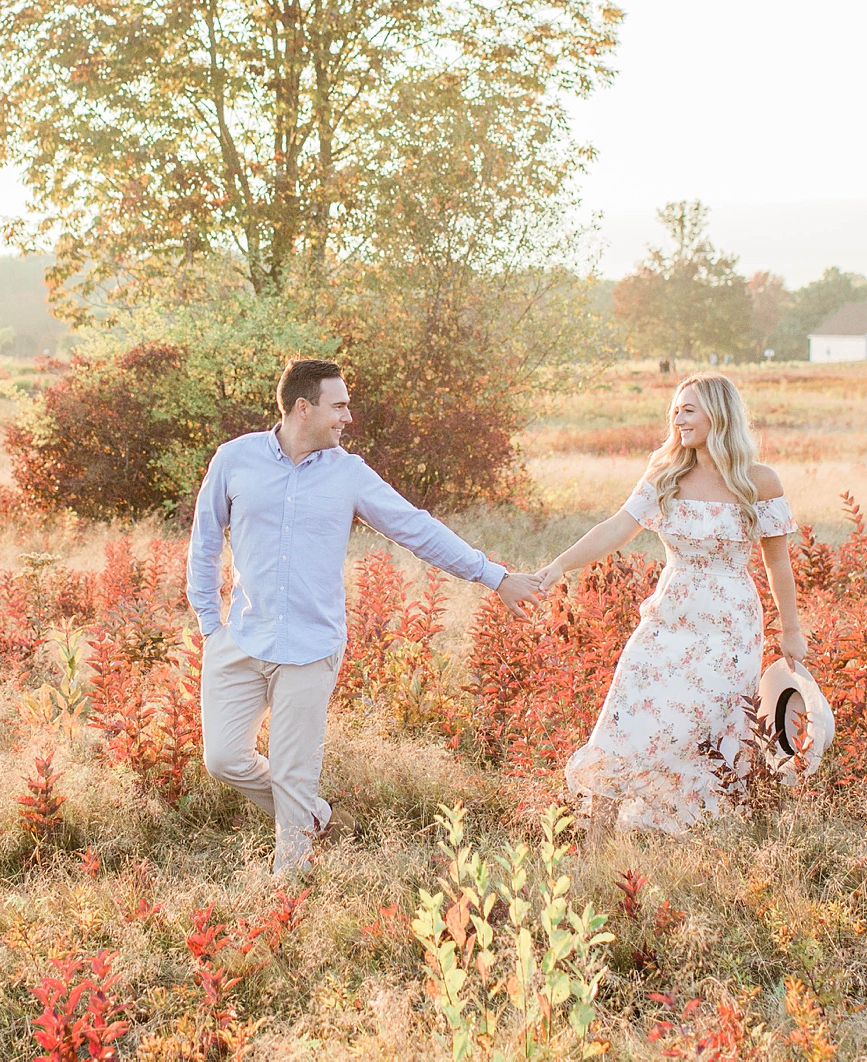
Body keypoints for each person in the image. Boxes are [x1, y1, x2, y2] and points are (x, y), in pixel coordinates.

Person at [188, 358, 545, 874]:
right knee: (223, 760)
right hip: (240, 637)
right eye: (339, 406)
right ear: (302, 407)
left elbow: (416, 529)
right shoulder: (234, 460)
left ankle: (288, 890)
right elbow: (203, 545)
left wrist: (494, 576)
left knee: (293, 773)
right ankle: (314, 816)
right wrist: (208, 625)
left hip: (311, 646)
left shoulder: (348, 474)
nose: (348, 418)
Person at [536, 372, 806, 836]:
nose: (677, 419)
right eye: (675, 411)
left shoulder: (758, 481)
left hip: (730, 625)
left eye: (687, 409)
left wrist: (791, 630)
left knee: (710, 726)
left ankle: (695, 833)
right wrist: (560, 565)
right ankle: (599, 837)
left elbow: (777, 562)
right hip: (668, 616)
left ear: (717, 414)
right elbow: (617, 527)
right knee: (629, 709)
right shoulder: (665, 473)